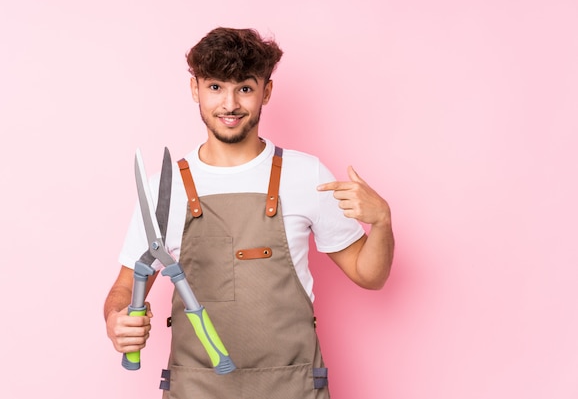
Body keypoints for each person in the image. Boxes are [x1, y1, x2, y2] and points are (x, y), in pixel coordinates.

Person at [104, 27, 394, 399]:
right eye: (215, 88)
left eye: (244, 87)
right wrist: (117, 319)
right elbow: (124, 287)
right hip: (197, 389)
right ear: (195, 89)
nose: (230, 104)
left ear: (265, 92)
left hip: (292, 387)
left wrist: (382, 221)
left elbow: (370, 275)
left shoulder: (307, 175)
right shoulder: (165, 186)